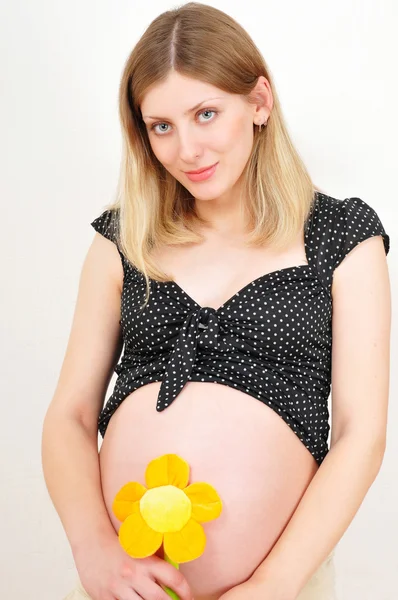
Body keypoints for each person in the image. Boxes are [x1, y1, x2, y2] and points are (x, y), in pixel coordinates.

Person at [41, 3, 391, 600]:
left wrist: (275, 584)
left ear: (258, 102)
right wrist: (94, 549)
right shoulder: (125, 241)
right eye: (162, 126)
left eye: (206, 114)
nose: (187, 150)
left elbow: (362, 433)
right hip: (122, 585)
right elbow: (69, 417)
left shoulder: (341, 238)